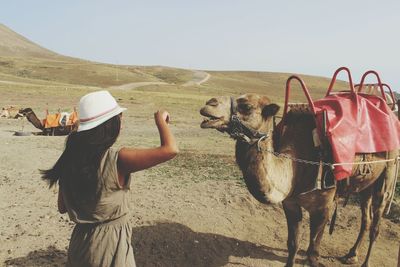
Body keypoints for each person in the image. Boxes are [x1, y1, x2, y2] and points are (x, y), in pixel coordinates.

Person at [41, 90, 178, 267]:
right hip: (110, 247)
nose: (122, 122)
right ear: (110, 125)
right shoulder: (118, 160)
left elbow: (62, 207)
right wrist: (160, 119)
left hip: (79, 245)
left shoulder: (70, 159)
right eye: (119, 117)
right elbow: (171, 150)